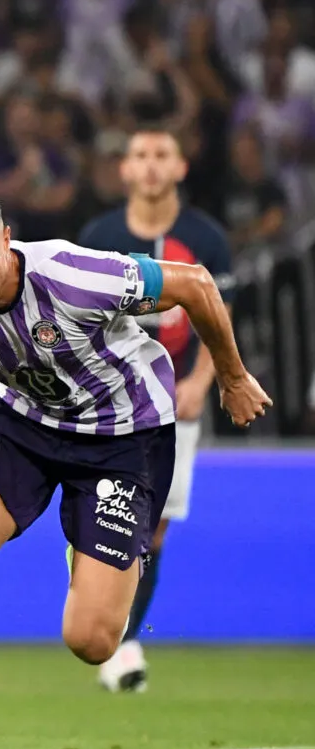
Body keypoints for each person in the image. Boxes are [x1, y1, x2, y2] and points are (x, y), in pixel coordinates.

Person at [0, 174, 268, 749]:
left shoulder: (77, 275)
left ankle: (102, 548)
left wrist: (233, 377)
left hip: (126, 436)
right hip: (24, 424)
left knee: (93, 641)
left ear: (7, 238)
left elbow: (194, 285)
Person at [77, 126, 233, 693]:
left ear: (181, 167)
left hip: (175, 404)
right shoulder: (100, 235)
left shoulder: (205, 238)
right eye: (139, 155)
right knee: (109, 514)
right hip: (108, 402)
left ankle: (121, 637)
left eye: (161, 155)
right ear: (123, 169)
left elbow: (219, 317)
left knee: (156, 527)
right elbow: (81, 319)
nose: (149, 166)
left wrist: (200, 380)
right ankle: (110, 637)